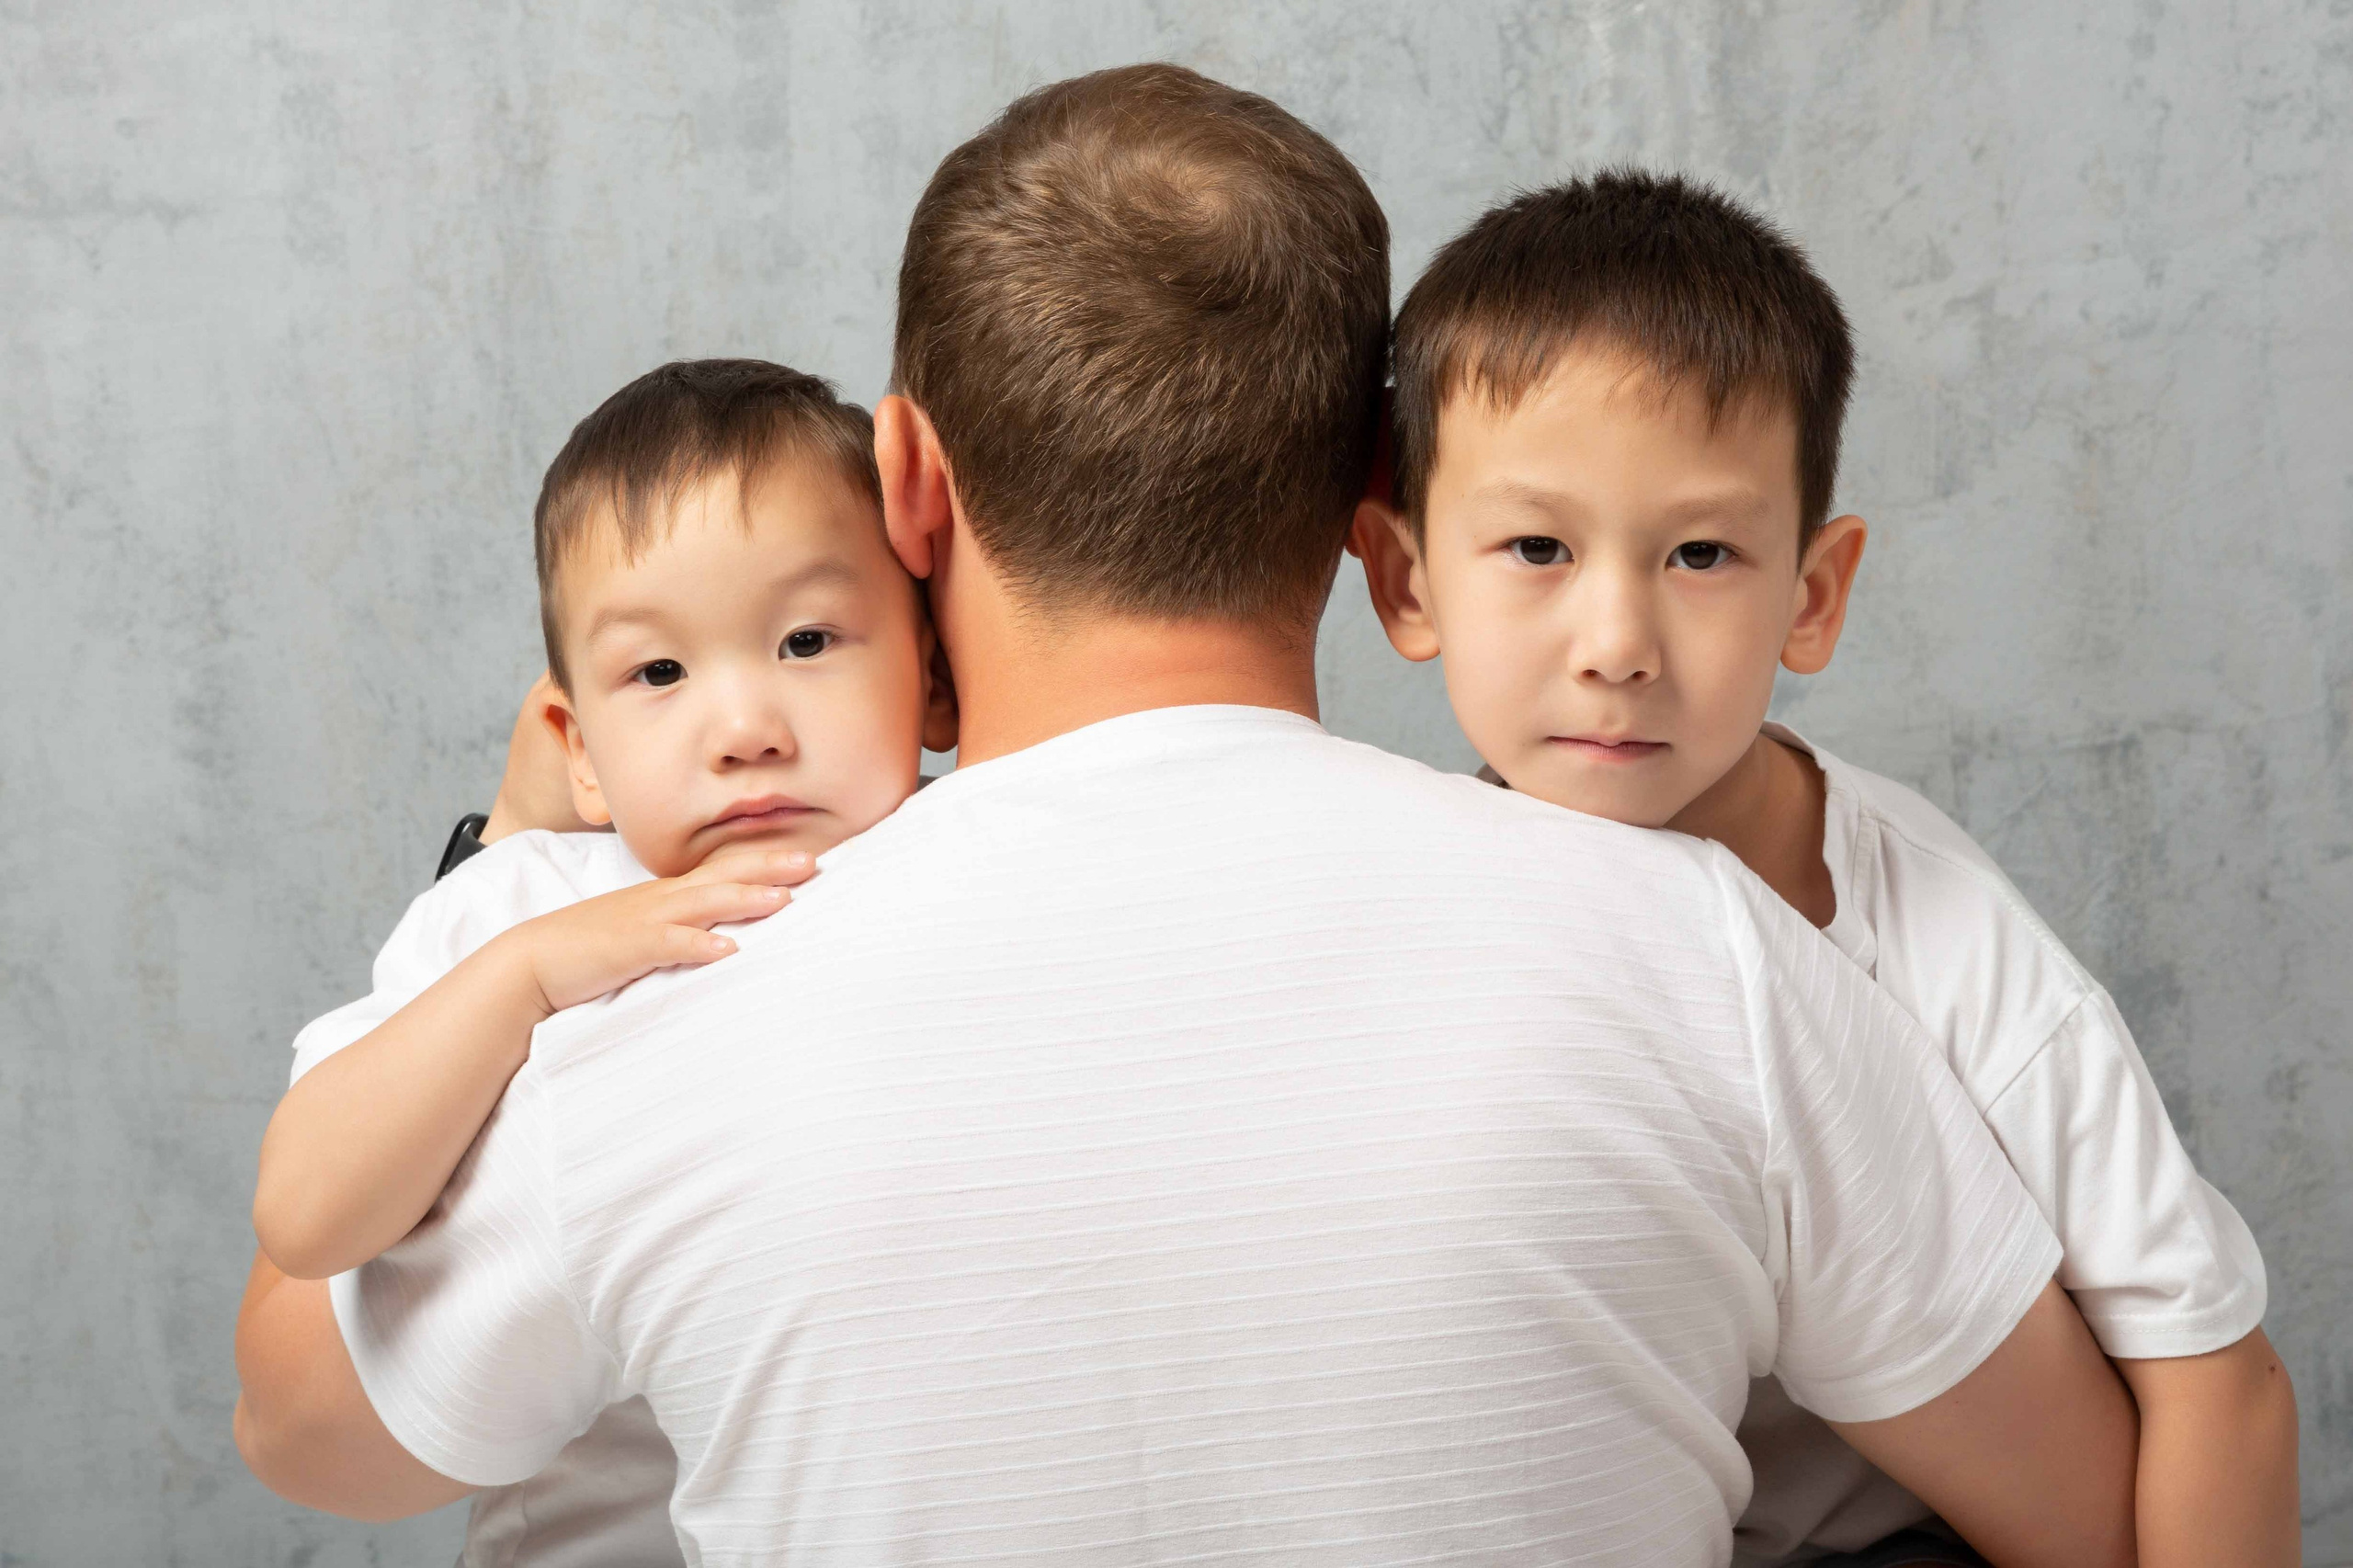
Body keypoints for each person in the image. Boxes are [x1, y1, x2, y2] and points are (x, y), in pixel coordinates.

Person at [236, 65, 2143, 1566]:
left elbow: (310, 1433)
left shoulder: (658, 1005)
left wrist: (498, 885)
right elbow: (2091, 1516)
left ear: (905, 479)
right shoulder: (1711, 955)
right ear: (1358, 503)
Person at [1350, 170, 2300, 1566]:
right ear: (1406, 581)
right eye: (1538, 546)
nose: (1617, 640)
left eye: (1702, 553)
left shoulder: (1942, 935)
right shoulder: (1397, 895)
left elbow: (2222, 1379)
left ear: (1813, 594)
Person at [244, 358, 953, 1564]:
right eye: (659, 673)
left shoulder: (967, 855)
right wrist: (527, 977)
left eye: (807, 638)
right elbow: (305, 1216)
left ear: (933, 673)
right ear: (577, 748)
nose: (744, 730)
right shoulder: (530, 901)